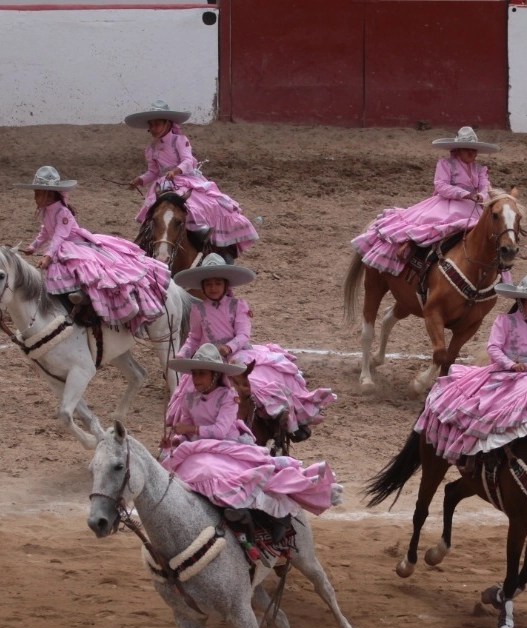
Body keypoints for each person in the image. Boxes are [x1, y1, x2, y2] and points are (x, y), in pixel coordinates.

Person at [162, 344, 342, 558]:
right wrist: (175, 440)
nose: (196, 378)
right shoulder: (189, 397)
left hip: (226, 445)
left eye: (202, 373)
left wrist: (190, 430)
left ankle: (266, 521)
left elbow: (220, 431)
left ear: (214, 375)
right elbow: (185, 426)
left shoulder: (228, 397)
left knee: (209, 470)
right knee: (167, 469)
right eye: (194, 373)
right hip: (196, 447)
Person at [168, 253, 335, 441]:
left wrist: (228, 348)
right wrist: (183, 353)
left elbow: (243, 335)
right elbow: (194, 337)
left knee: (255, 383)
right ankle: (182, 433)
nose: (213, 288)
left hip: (237, 354)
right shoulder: (198, 309)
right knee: (187, 392)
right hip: (207, 358)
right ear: (203, 286)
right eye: (208, 284)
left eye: (217, 283)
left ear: (225, 285)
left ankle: (283, 421)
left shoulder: (238, 305)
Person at [414, 274, 527, 467]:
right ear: (521, 303)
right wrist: (511, 365)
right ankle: (490, 449)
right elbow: (494, 348)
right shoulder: (505, 321)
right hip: (508, 373)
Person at [15, 165, 170, 333]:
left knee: (83, 269)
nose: (35, 197)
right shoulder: (46, 212)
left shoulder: (63, 212)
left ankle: (83, 295)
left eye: (38, 193)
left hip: (74, 245)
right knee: (62, 270)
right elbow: (45, 231)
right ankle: (65, 299)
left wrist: (48, 255)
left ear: (49, 194)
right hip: (62, 247)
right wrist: (33, 246)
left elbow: (59, 235)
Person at [352, 126, 499, 276]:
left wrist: (482, 196)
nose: (472, 153)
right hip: (448, 204)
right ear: (458, 150)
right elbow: (441, 185)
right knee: (432, 227)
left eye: (474, 150)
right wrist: (466, 194)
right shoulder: (446, 164)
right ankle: (414, 254)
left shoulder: (480, 169)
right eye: (467, 149)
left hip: (474, 207)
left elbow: (485, 186)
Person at [124, 100, 259, 259]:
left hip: (185, 180)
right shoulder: (151, 148)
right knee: (153, 215)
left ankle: (206, 242)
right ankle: (147, 247)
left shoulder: (179, 140)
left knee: (206, 206)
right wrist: (140, 180)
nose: (153, 128)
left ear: (168, 123)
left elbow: (188, 160)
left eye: (157, 124)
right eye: (151, 125)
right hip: (163, 184)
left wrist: (176, 170)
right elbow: (153, 172)